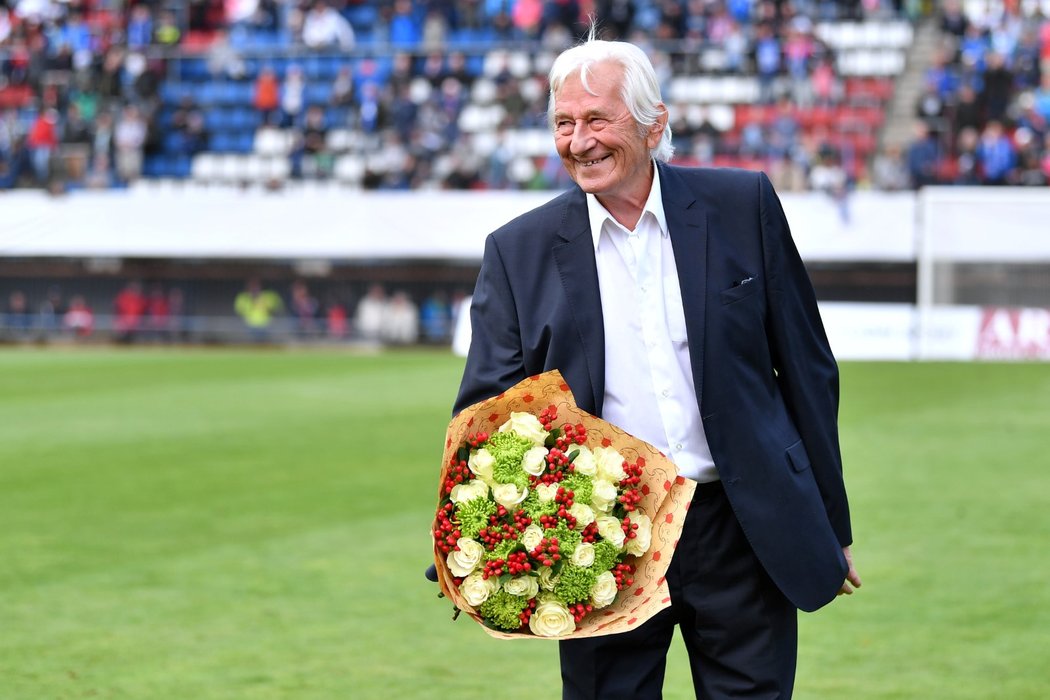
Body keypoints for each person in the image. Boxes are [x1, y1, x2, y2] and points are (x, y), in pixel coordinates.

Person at [446, 32, 861, 699]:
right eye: (563, 123)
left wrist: (830, 525)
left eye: (597, 120)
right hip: (599, 542)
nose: (579, 141)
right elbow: (489, 417)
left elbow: (807, 372)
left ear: (653, 123)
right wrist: (477, 546)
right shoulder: (516, 251)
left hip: (741, 527)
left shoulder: (742, 207)